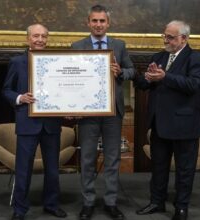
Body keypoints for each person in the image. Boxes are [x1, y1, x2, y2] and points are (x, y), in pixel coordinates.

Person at [134, 20, 200, 220]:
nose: (166, 40)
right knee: (158, 167)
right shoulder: (159, 56)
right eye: (165, 35)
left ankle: (181, 207)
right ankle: (156, 202)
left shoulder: (196, 58)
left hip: (185, 124)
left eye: (171, 37)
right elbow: (143, 84)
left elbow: (194, 84)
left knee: (184, 169)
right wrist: (146, 78)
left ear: (184, 38)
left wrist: (164, 77)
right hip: (160, 124)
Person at [71, 4, 135, 220]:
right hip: (87, 113)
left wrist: (120, 72)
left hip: (112, 112)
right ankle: (88, 203)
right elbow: (71, 79)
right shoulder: (77, 45)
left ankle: (110, 202)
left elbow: (132, 70)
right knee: (87, 159)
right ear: (88, 23)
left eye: (102, 21)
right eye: (94, 21)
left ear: (108, 23)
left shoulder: (119, 45)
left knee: (112, 159)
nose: (98, 24)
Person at [2, 24, 67, 220]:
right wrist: (20, 98)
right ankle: (20, 209)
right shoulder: (17, 62)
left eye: (43, 36)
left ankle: (52, 204)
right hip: (27, 122)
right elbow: (6, 90)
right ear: (28, 38)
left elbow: (63, 90)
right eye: (36, 36)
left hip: (51, 124)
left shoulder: (56, 61)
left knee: (53, 170)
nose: (40, 39)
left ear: (47, 39)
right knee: (23, 169)